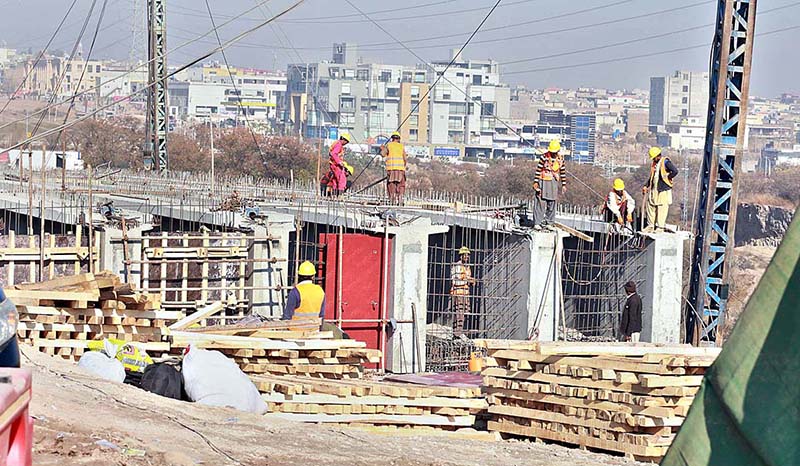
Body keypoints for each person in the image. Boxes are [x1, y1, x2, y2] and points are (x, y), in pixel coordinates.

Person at [642, 146, 678, 233]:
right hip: (655, 188)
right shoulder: (655, 164)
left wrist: (668, 177)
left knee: (662, 208)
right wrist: (646, 185)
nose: (653, 159)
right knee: (650, 205)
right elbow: (652, 176)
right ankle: (651, 225)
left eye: (654, 158)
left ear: (658, 156)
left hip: (663, 189)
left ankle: (660, 227)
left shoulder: (665, 162)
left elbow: (675, 171)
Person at [533, 139, 566, 229]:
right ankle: (537, 222)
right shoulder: (544, 157)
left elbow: (562, 172)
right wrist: (536, 182)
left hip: (553, 182)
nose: (553, 154)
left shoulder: (560, 159)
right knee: (540, 202)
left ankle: (549, 222)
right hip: (543, 181)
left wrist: (563, 184)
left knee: (552, 202)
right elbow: (538, 170)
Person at [282, 261, 325, 328]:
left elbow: (287, 316)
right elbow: (321, 316)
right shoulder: (320, 291)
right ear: (313, 277)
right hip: (314, 332)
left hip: (296, 333)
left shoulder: (295, 292)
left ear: (299, 276)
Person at [450, 246, 476, 338]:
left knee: (463, 313)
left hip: (465, 292)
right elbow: (456, 280)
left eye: (468, 255)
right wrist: (468, 280)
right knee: (459, 313)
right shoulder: (458, 266)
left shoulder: (467, 267)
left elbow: (467, 277)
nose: (467, 257)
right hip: (458, 292)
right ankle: (456, 334)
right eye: (465, 255)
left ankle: (459, 332)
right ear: (461, 256)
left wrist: (471, 280)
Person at [380, 131, 407, 205]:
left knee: (391, 185)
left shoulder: (389, 145)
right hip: (400, 170)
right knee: (401, 185)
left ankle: (392, 199)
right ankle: (400, 198)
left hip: (391, 169)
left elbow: (382, 154)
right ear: (398, 139)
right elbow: (405, 159)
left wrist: (382, 148)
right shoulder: (401, 146)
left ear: (392, 138)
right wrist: (403, 168)